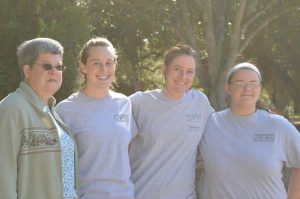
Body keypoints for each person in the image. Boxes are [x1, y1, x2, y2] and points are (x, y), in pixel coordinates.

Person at [199, 62, 300, 199]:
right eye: (240, 83)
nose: (247, 88)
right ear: (228, 88)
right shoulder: (209, 124)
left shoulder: (278, 126)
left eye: (253, 83)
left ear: (259, 88)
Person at [129, 44, 214, 199]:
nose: (183, 76)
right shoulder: (138, 103)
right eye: (177, 69)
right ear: (164, 69)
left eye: (190, 72)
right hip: (141, 194)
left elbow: (225, 126)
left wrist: (258, 111)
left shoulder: (200, 103)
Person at [55, 37, 136, 199]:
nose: (104, 69)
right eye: (96, 63)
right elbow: (59, 166)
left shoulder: (124, 103)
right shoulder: (65, 110)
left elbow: (127, 151)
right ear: (83, 67)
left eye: (109, 62)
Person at [0, 38, 79, 199]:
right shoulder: (12, 109)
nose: (54, 72)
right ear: (27, 70)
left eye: (58, 67)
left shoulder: (51, 110)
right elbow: (3, 175)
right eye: (46, 66)